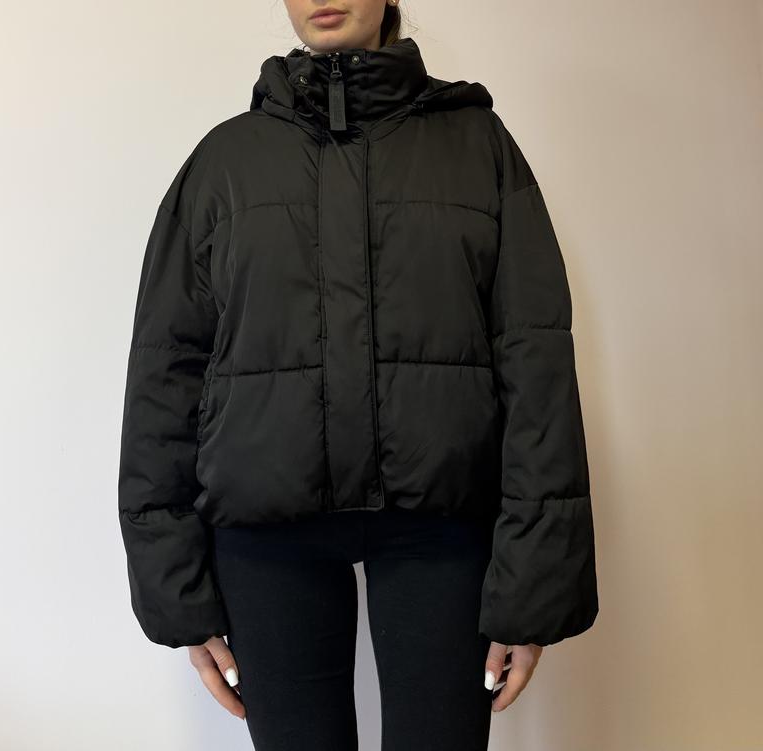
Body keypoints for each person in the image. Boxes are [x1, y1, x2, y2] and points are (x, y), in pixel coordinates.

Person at [117, 1, 599, 748]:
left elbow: (535, 361)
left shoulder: (478, 148)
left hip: (441, 529)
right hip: (265, 539)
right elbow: (165, 372)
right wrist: (176, 588)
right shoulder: (224, 163)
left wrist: (532, 585)